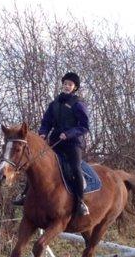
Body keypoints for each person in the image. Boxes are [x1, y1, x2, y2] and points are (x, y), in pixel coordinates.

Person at [13, 71, 91, 216]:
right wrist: (43, 132)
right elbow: (46, 122)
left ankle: (80, 202)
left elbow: (84, 126)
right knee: (36, 164)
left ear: (75, 87)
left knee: (75, 168)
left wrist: (68, 134)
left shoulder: (78, 104)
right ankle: (24, 195)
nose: (66, 86)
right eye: (65, 84)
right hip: (55, 141)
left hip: (72, 143)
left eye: (70, 84)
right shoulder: (54, 104)